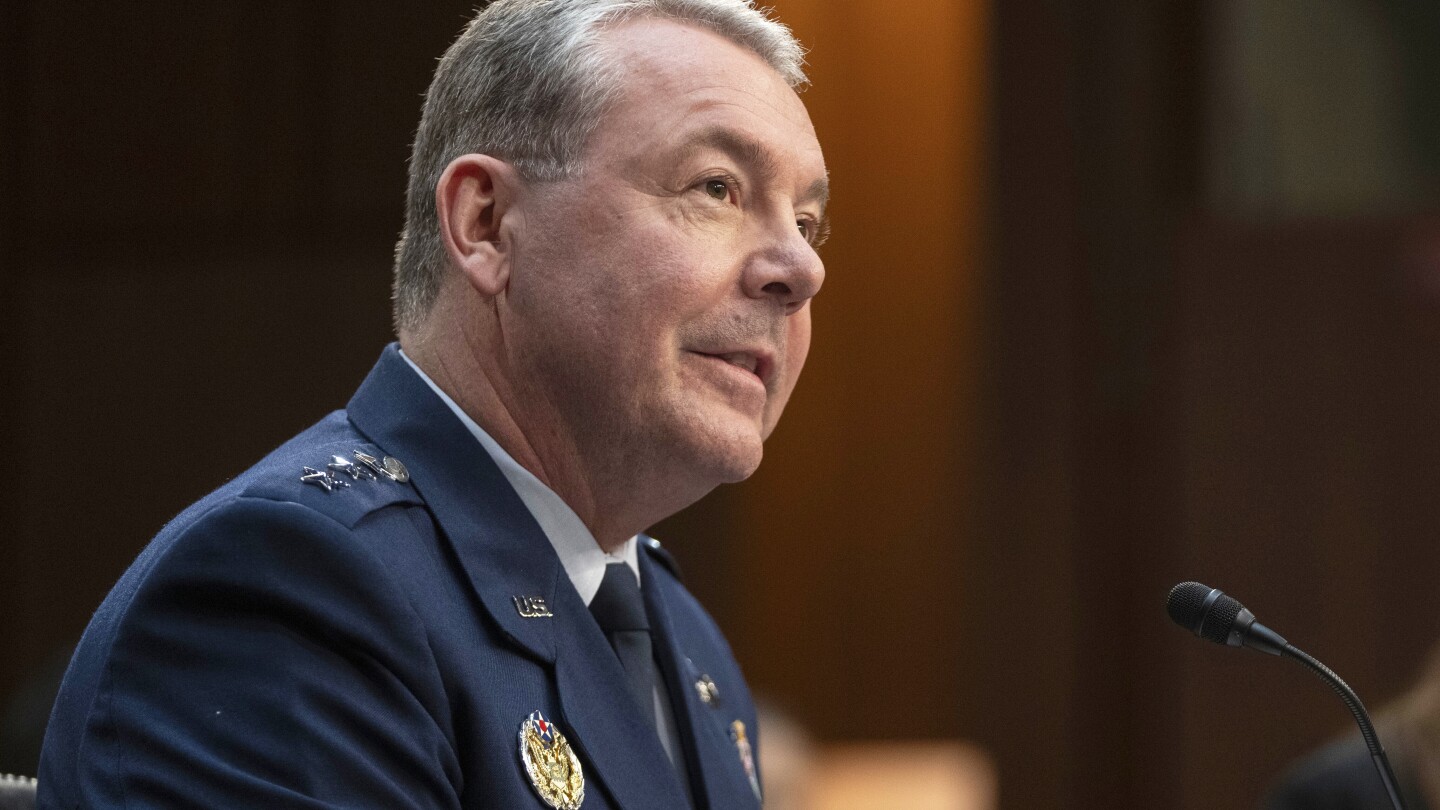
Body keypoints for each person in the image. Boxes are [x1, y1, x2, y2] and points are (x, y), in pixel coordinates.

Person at [37, 0, 829, 806]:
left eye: (806, 222)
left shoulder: (686, 644)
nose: (802, 269)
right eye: (717, 188)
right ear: (486, 224)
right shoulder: (293, 590)